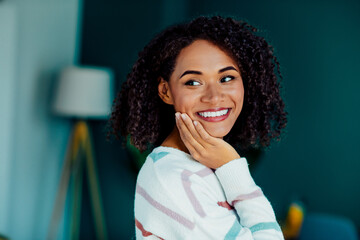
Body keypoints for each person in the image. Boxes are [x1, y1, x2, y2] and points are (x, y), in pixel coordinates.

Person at [108, 15, 287, 239]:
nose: (214, 97)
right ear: (165, 91)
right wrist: (233, 167)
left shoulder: (200, 166)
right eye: (193, 82)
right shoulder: (174, 179)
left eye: (227, 78)